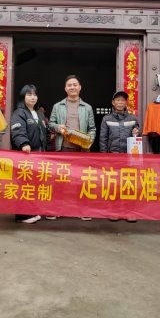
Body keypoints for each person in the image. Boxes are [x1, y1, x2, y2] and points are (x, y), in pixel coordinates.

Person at [49, 74, 96, 220]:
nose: (72, 87)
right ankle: (57, 209)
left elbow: (92, 128)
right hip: (63, 147)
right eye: (69, 85)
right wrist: (58, 127)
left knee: (82, 180)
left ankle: (83, 210)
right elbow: (51, 124)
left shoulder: (87, 108)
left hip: (82, 149)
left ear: (80, 87)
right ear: (65, 88)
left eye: (75, 85)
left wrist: (88, 141)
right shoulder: (57, 106)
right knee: (61, 180)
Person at [99, 90, 140, 223]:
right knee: (114, 185)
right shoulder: (107, 119)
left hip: (129, 158)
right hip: (113, 157)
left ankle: (130, 212)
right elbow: (103, 139)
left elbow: (137, 137)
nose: (120, 102)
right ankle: (114, 211)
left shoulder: (133, 118)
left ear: (126, 102)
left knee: (129, 184)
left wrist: (137, 132)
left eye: (122, 100)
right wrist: (104, 157)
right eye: (117, 100)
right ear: (113, 102)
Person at [10, 84, 47, 224]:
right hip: (26, 154)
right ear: (23, 97)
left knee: (34, 184)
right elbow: (17, 130)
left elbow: (45, 130)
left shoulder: (39, 113)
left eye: (35, 95)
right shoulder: (19, 113)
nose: (33, 97)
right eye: (29, 94)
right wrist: (24, 143)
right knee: (24, 184)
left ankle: (31, 210)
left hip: (39, 153)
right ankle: (21, 215)